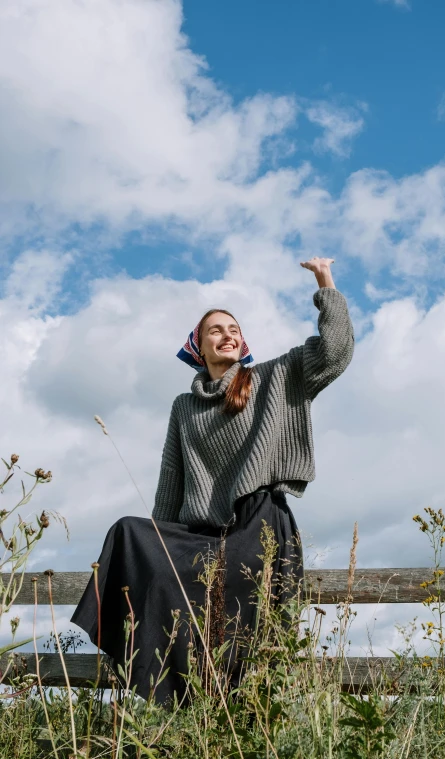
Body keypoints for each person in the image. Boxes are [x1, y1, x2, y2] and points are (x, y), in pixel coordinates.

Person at [71, 257, 355, 707]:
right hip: (204, 531)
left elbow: (336, 351)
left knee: (236, 609)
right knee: (129, 531)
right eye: (215, 330)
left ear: (243, 345)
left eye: (234, 329)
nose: (227, 334)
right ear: (198, 348)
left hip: (258, 523)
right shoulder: (184, 407)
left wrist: (325, 281)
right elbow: (171, 482)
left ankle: (238, 704)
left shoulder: (274, 378)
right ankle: (173, 698)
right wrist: (158, 549)